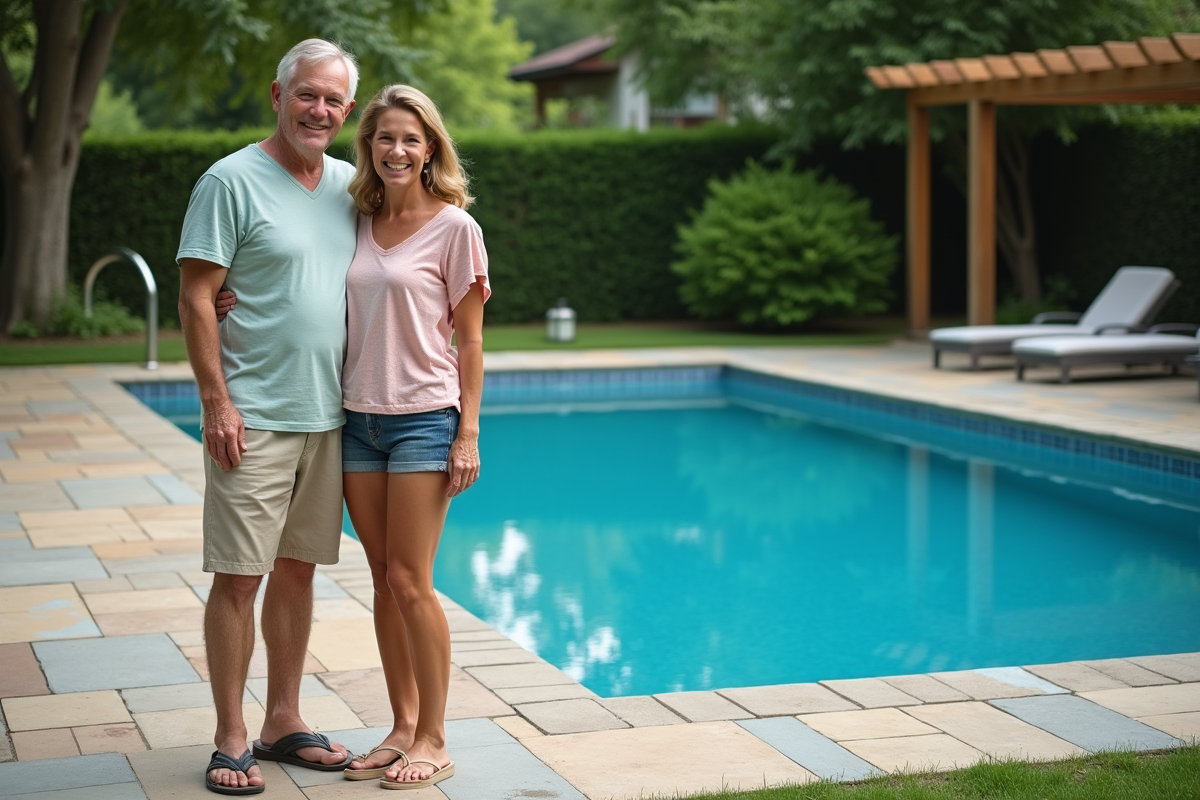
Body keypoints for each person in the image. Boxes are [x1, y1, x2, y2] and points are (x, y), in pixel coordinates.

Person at [177, 39, 359, 795]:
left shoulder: (353, 184)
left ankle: (284, 718)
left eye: (334, 101)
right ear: (277, 96)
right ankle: (230, 734)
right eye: (307, 95)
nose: (319, 110)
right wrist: (217, 401)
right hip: (253, 418)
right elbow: (195, 295)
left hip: (331, 417)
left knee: (297, 572)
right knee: (239, 577)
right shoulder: (228, 181)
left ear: (348, 112)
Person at [337, 84, 489, 790]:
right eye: (384, 138)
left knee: (410, 579)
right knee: (379, 578)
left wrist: (468, 432)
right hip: (356, 420)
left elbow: (471, 342)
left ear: (431, 149)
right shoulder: (356, 220)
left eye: (411, 139)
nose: (397, 150)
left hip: (425, 419)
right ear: (367, 145)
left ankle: (434, 736)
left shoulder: (455, 228)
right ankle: (400, 728)